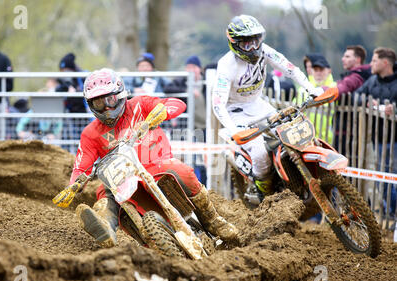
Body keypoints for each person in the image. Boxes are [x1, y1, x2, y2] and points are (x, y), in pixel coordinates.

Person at [53, 68, 238, 247]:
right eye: (99, 103)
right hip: (122, 180)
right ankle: (106, 226)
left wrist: (162, 111)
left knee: (181, 170)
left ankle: (213, 219)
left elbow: (178, 104)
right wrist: (73, 185)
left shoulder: (140, 105)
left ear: (120, 94)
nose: (107, 108)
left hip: (156, 166)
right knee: (102, 191)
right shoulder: (90, 133)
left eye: (109, 99)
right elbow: (81, 167)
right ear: (90, 104)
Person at [212, 15, 323, 197]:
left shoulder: (265, 51)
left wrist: (312, 89)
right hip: (235, 113)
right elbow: (217, 104)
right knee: (259, 152)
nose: (254, 48)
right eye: (247, 44)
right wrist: (234, 131)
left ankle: (296, 177)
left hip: (258, 105)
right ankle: (266, 193)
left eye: (256, 41)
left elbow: (289, 68)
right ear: (236, 44)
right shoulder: (226, 65)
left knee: (292, 132)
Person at [355, 47, 397, 217]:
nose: (370, 64)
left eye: (374, 60)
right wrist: (365, 102)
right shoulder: (372, 81)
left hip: (396, 139)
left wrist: (394, 109)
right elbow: (356, 96)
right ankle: (391, 211)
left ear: (385, 62)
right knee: (383, 179)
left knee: (393, 176)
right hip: (379, 138)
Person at [164, 55, 207, 185]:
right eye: (188, 67)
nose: (190, 70)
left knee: (203, 160)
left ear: (199, 69)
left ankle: (204, 185)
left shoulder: (206, 82)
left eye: (193, 67)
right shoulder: (182, 81)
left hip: (204, 128)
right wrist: (187, 91)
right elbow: (168, 89)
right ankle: (189, 185)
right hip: (186, 128)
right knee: (187, 160)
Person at [56, 53, 89, 151]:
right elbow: (58, 90)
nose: (64, 73)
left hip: (84, 116)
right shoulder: (63, 81)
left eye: (66, 70)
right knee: (69, 140)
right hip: (70, 116)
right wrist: (66, 88)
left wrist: (76, 91)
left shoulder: (83, 76)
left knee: (85, 141)